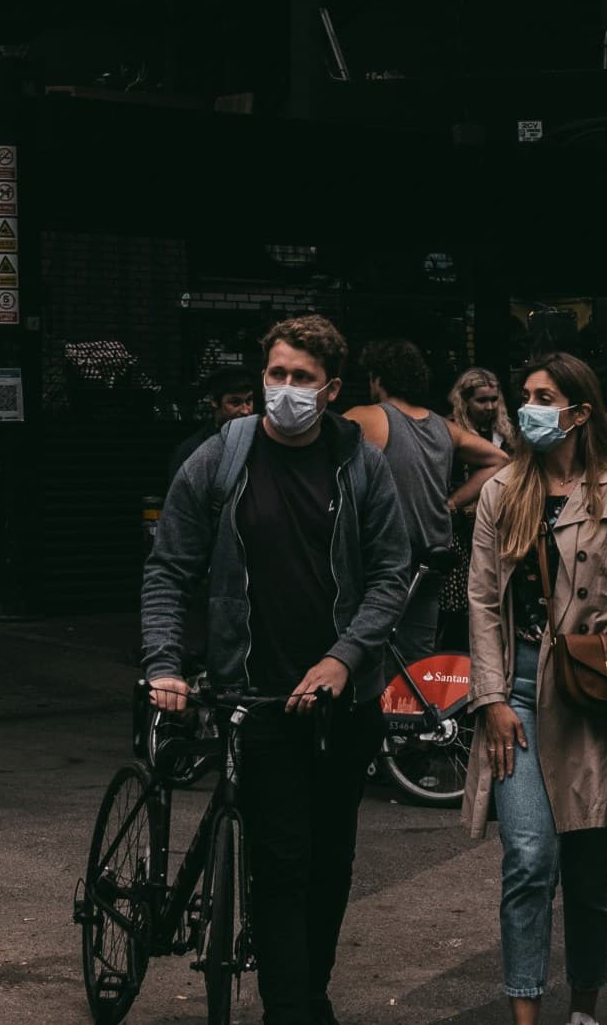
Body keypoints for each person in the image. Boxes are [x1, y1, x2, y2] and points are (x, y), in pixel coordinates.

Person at [143, 313, 411, 1025]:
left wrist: (342, 659)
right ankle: (293, 1010)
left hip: (342, 703)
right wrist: (165, 663)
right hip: (253, 698)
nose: (285, 389)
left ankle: (306, 992)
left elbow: (391, 575)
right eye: (276, 374)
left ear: (330, 390)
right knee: (284, 861)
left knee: (331, 865)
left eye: (302, 378)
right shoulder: (219, 459)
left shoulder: (361, 463)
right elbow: (169, 569)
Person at [464, 353, 607, 1025]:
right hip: (521, 695)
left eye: (544, 396)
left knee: (587, 872)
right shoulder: (504, 490)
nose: (528, 407)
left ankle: (584, 1007)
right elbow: (480, 601)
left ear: (580, 412)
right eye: (524, 394)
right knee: (529, 856)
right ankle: (525, 1012)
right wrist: (492, 699)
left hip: (600, 700)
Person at [345, 336, 457, 665]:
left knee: (369, 649)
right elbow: (497, 459)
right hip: (432, 556)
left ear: (378, 378)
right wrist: (451, 502)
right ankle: (412, 715)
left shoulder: (368, 416)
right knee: (417, 656)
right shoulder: (441, 425)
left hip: (386, 558)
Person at [169, 359, 255, 479]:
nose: (246, 411)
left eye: (249, 401)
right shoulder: (192, 452)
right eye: (235, 403)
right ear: (215, 402)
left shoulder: (259, 445)